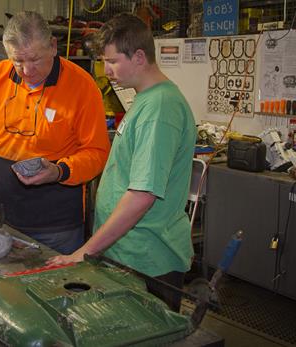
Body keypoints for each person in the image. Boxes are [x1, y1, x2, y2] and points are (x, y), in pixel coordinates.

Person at [47, 13, 197, 311]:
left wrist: (85, 252)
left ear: (139, 57)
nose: (106, 70)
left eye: (112, 61)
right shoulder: (145, 99)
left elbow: (142, 195)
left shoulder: (160, 108)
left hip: (147, 260)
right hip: (127, 254)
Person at [0, 11, 110, 255]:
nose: (27, 70)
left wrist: (60, 171)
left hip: (58, 228)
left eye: (35, 60)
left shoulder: (81, 87)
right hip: (2, 219)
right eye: (18, 61)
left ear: (53, 46)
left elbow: (97, 152)